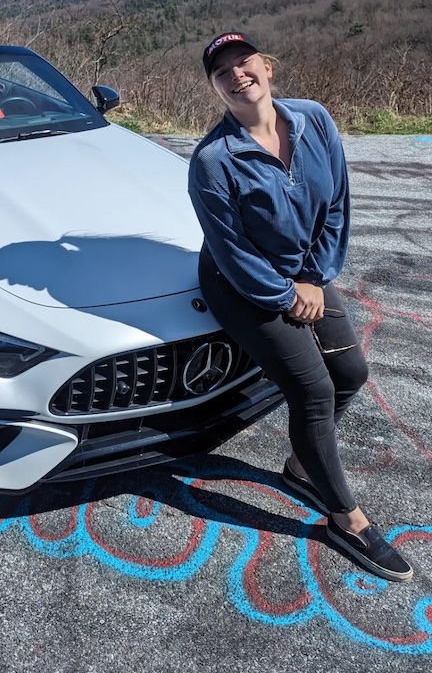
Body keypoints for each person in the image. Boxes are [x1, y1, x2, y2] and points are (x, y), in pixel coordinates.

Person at [187, 31, 413, 582]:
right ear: (216, 88)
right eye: (224, 73)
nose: (238, 75)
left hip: (301, 273)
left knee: (350, 371)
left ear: (267, 66)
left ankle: (300, 468)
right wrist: (287, 297)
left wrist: (312, 277)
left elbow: (336, 202)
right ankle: (346, 520)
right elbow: (233, 254)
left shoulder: (315, 120)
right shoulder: (214, 161)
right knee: (311, 389)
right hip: (241, 284)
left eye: (246, 63)